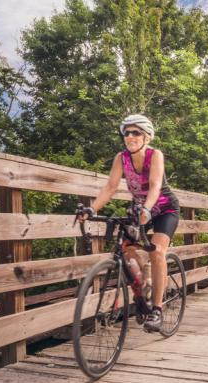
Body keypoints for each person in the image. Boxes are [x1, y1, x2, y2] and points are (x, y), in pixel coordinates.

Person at [77, 114, 180, 331]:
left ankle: (157, 310)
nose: (130, 136)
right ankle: (145, 283)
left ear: (147, 137)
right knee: (126, 251)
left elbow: (154, 186)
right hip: (139, 208)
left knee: (157, 251)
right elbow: (110, 188)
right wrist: (91, 209)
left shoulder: (156, 155)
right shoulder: (121, 158)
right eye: (127, 133)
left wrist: (147, 208)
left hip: (163, 208)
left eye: (136, 133)